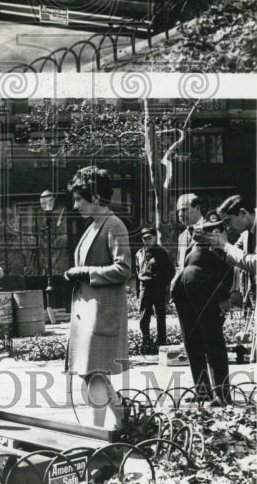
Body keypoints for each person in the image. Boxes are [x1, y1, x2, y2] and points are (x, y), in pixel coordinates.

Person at [63, 167, 131, 430]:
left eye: (79, 198)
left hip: (102, 315)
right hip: (88, 315)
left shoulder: (114, 224)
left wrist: (84, 272)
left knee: (94, 374)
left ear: (95, 196)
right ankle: (124, 419)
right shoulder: (94, 226)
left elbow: (124, 269)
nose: (75, 204)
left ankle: (98, 436)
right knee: (93, 373)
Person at [171, 210, 234, 405]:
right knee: (193, 346)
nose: (198, 234)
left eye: (206, 232)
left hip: (207, 301)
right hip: (186, 300)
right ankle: (203, 391)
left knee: (213, 345)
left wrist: (225, 299)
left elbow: (229, 273)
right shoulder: (191, 244)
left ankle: (222, 394)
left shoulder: (219, 250)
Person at [134, 227, 174, 349]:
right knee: (144, 316)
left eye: (149, 237)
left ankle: (161, 341)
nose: (147, 240)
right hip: (144, 289)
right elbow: (137, 272)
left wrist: (162, 285)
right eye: (144, 238)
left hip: (158, 288)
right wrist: (138, 291)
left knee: (160, 316)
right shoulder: (139, 254)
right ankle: (146, 340)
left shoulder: (162, 253)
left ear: (155, 237)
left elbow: (170, 272)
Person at [175, 192, 202, 271]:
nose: (180, 214)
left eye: (184, 209)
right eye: (178, 211)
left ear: (197, 208)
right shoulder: (182, 236)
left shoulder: (211, 230)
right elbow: (180, 264)